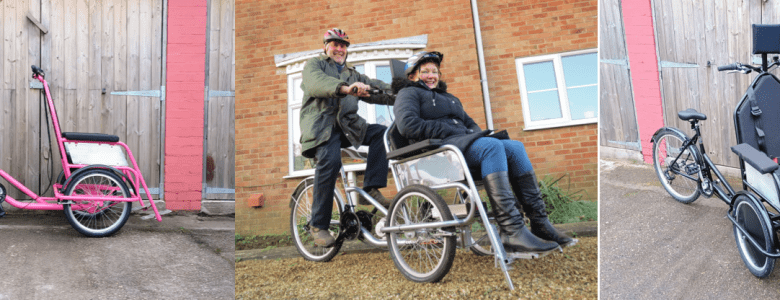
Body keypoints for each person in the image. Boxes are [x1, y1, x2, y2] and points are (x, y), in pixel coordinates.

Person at [391, 51, 574, 253]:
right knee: (492, 147)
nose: (432, 75)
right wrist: (451, 131)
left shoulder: (450, 98)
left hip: (459, 147)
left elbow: (470, 123)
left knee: (514, 147)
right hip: (435, 156)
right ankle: (511, 230)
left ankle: (540, 223)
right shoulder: (408, 94)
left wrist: (477, 135)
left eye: (435, 71)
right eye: (425, 71)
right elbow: (408, 125)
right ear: (412, 76)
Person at [299, 28, 394, 247]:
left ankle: (371, 187)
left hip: (349, 127)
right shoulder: (315, 65)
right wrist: (345, 89)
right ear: (326, 47)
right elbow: (317, 84)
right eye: (335, 44)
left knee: (381, 132)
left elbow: (377, 87)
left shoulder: (353, 74)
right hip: (323, 127)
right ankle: (319, 225)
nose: (339, 49)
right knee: (330, 163)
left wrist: (404, 93)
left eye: (343, 45)